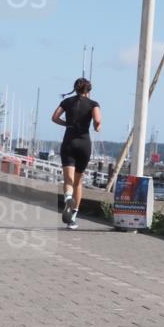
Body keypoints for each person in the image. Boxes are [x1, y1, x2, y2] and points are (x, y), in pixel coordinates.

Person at [51, 78, 101, 230]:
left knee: (68, 180)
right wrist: (96, 126)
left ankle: (67, 198)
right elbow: (97, 120)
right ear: (89, 90)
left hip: (69, 142)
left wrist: (66, 124)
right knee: (78, 182)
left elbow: (54, 117)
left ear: (75, 89)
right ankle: (72, 218)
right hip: (84, 144)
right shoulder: (93, 104)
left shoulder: (67, 102)